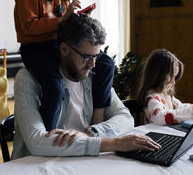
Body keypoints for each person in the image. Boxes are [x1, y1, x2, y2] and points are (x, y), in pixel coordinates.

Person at [12, 14, 161, 158]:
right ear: (64, 49)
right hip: (34, 166)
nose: (93, 64)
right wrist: (113, 143)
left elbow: (125, 118)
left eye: (96, 56)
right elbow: (37, 142)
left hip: (80, 162)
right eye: (87, 57)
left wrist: (89, 134)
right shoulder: (27, 79)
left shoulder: (94, 76)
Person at [14, 0, 114, 131]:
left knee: (106, 64)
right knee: (54, 86)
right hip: (35, 48)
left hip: (58, 44)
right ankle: (48, 137)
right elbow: (28, 27)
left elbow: (62, 26)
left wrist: (76, 20)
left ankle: (97, 122)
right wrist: (63, 19)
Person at [137, 49, 193, 125]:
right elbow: (160, 117)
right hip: (155, 135)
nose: (173, 82)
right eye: (171, 77)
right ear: (158, 75)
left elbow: (180, 107)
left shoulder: (166, 95)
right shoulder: (151, 98)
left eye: (175, 77)